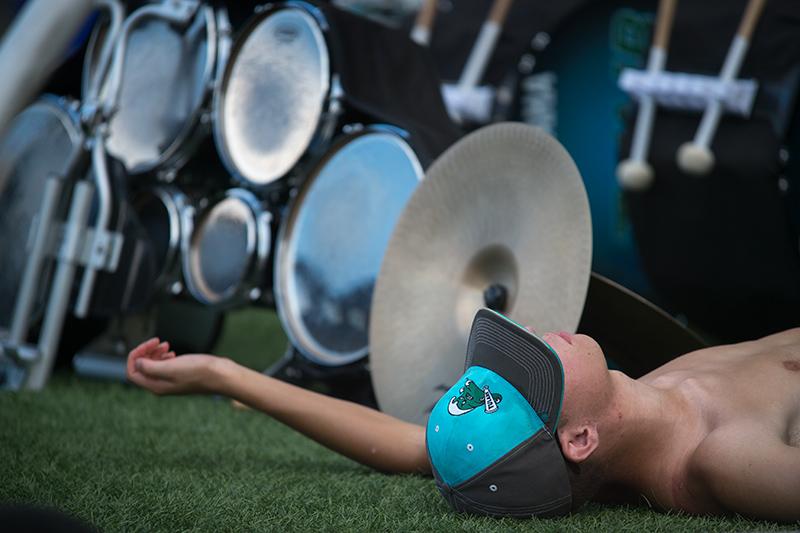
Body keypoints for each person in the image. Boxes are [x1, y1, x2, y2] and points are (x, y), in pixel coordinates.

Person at [126, 318, 800, 522]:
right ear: (580, 437)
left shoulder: (626, 410)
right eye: (536, 370)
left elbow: (410, 446)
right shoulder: (718, 458)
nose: (537, 330)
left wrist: (224, 375)